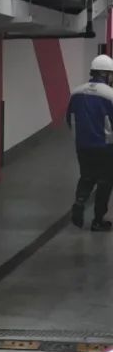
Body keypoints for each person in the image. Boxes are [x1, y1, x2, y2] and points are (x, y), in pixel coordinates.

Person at [67, 54, 113, 232]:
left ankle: (79, 202)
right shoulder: (110, 94)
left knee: (86, 177)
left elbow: (69, 118)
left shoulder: (76, 92)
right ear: (105, 74)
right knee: (105, 182)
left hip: (82, 145)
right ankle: (98, 220)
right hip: (105, 146)